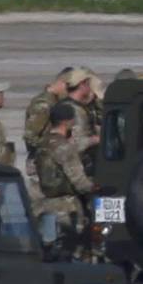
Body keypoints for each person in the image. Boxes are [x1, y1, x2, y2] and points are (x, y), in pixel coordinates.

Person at [32, 98, 97, 242]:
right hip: (66, 209)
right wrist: (96, 187)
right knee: (69, 250)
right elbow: (80, 182)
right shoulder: (65, 147)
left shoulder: (43, 144)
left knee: (48, 248)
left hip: (45, 205)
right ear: (68, 122)